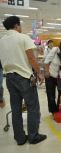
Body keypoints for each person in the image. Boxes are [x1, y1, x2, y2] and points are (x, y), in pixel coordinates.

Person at [0, 16, 46, 145]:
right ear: (16, 25)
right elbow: (31, 58)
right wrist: (39, 73)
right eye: (19, 25)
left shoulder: (2, 40)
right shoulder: (23, 37)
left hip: (9, 77)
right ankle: (33, 137)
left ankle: (20, 138)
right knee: (32, 107)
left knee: (15, 109)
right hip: (23, 77)